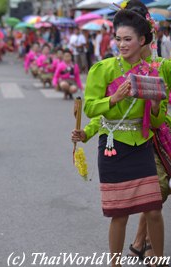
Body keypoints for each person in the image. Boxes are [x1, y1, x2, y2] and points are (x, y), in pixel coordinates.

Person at [84, 7, 167, 267]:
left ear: (142, 40)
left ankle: (158, 260)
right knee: (118, 214)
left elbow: (156, 120)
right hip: (112, 145)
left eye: (127, 39)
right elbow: (89, 108)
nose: (121, 44)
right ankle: (114, 263)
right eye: (118, 39)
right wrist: (114, 98)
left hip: (141, 144)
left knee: (153, 209)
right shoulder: (103, 69)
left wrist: (154, 105)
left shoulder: (152, 73)